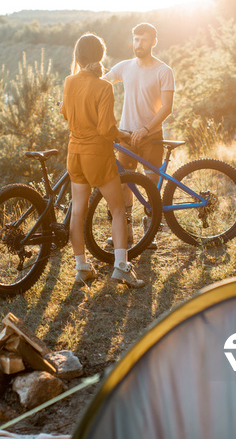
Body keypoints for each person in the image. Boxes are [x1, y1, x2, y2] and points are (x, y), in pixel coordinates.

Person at [60, 33, 144, 289]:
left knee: (77, 211)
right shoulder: (103, 86)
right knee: (118, 210)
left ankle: (82, 267)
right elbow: (107, 129)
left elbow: (65, 113)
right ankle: (121, 267)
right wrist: (124, 135)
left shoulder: (69, 81)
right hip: (98, 155)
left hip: (74, 154)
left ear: (77, 56)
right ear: (100, 56)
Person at [104, 23, 175, 249]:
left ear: (153, 42)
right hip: (125, 137)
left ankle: (150, 232)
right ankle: (126, 234)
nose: (138, 44)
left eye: (143, 40)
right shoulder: (125, 67)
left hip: (151, 137)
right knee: (124, 185)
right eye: (135, 39)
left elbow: (167, 107)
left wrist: (145, 129)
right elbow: (101, 83)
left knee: (151, 186)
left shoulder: (164, 71)